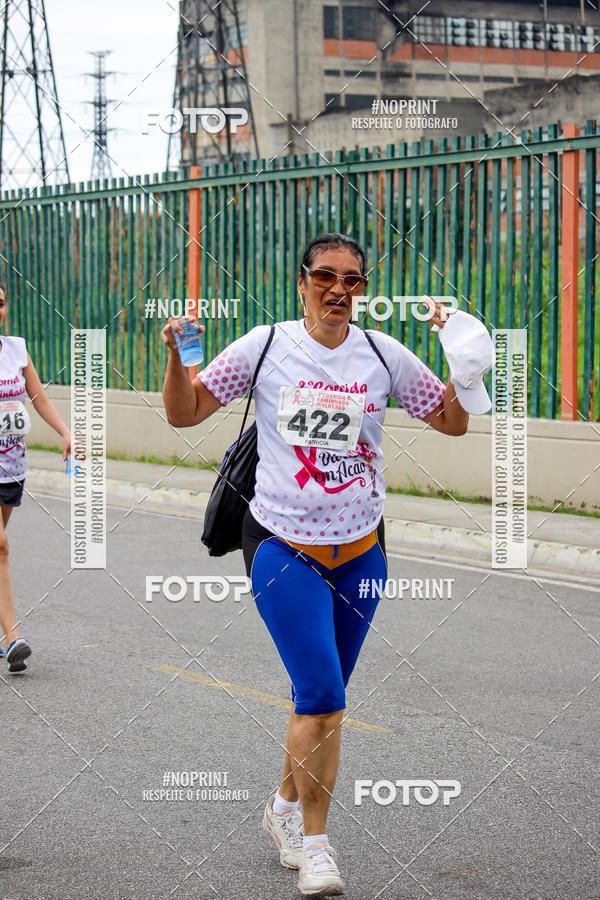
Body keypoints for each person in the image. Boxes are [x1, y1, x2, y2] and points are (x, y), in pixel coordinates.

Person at [161, 233, 474, 896]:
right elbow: (186, 413)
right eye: (326, 276)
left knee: (321, 704)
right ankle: (315, 843)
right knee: (324, 696)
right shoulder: (266, 346)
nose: (339, 290)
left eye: (353, 280)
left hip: (362, 553)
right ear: (302, 280)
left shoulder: (382, 355)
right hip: (283, 548)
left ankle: (279, 810)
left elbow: (450, 422)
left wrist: (465, 366)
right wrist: (172, 360)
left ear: (363, 288)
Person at [0, 283, 72, 674]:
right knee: (1, 547)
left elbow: (38, 397)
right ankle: (13, 638)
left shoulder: (15, 348)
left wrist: (65, 431)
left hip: (12, 465)